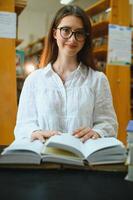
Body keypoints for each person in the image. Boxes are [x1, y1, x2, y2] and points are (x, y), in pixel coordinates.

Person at [14, 5, 118, 143]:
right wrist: (34, 132)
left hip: (83, 161)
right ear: (55, 33)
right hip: (44, 159)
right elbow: (23, 126)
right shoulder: (34, 80)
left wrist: (97, 132)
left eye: (79, 33)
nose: (72, 38)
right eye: (66, 30)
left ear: (85, 38)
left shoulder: (98, 80)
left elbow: (108, 124)